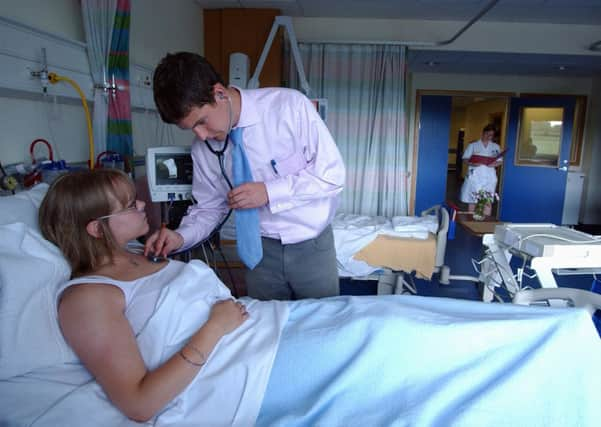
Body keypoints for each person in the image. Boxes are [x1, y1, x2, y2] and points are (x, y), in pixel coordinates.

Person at [38, 169, 256, 422]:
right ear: (97, 229)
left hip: (252, 328)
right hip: (238, 361)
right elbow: (139, 404)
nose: (142, 204)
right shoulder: (88, 298)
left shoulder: (139, 252)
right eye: (130, 204)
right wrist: (215, 327)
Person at [146, 52, 346, 301]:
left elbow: (332, 175)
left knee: (323, 325)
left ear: (219, 93)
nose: (201, 136)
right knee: (267, 329)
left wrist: (268, 192)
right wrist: (180, 236)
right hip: (258, 252)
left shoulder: (289, 107)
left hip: (311, 247)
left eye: (202, 122)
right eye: (191, 129)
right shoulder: (204, 150)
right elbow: (209, 209)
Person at [459, 123, 503, 206]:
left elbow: (500, 161)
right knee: (472, 200)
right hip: (475, 175)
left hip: (489, 176)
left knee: (487, 200)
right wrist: (472, 163)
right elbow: (465, 159)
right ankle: (471, 218)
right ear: (483, 132)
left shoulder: (496, 146)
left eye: (491, 135)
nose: (488, 136)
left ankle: (486, 218)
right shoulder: (473, 145)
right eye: (487, 134)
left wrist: (493, 164)